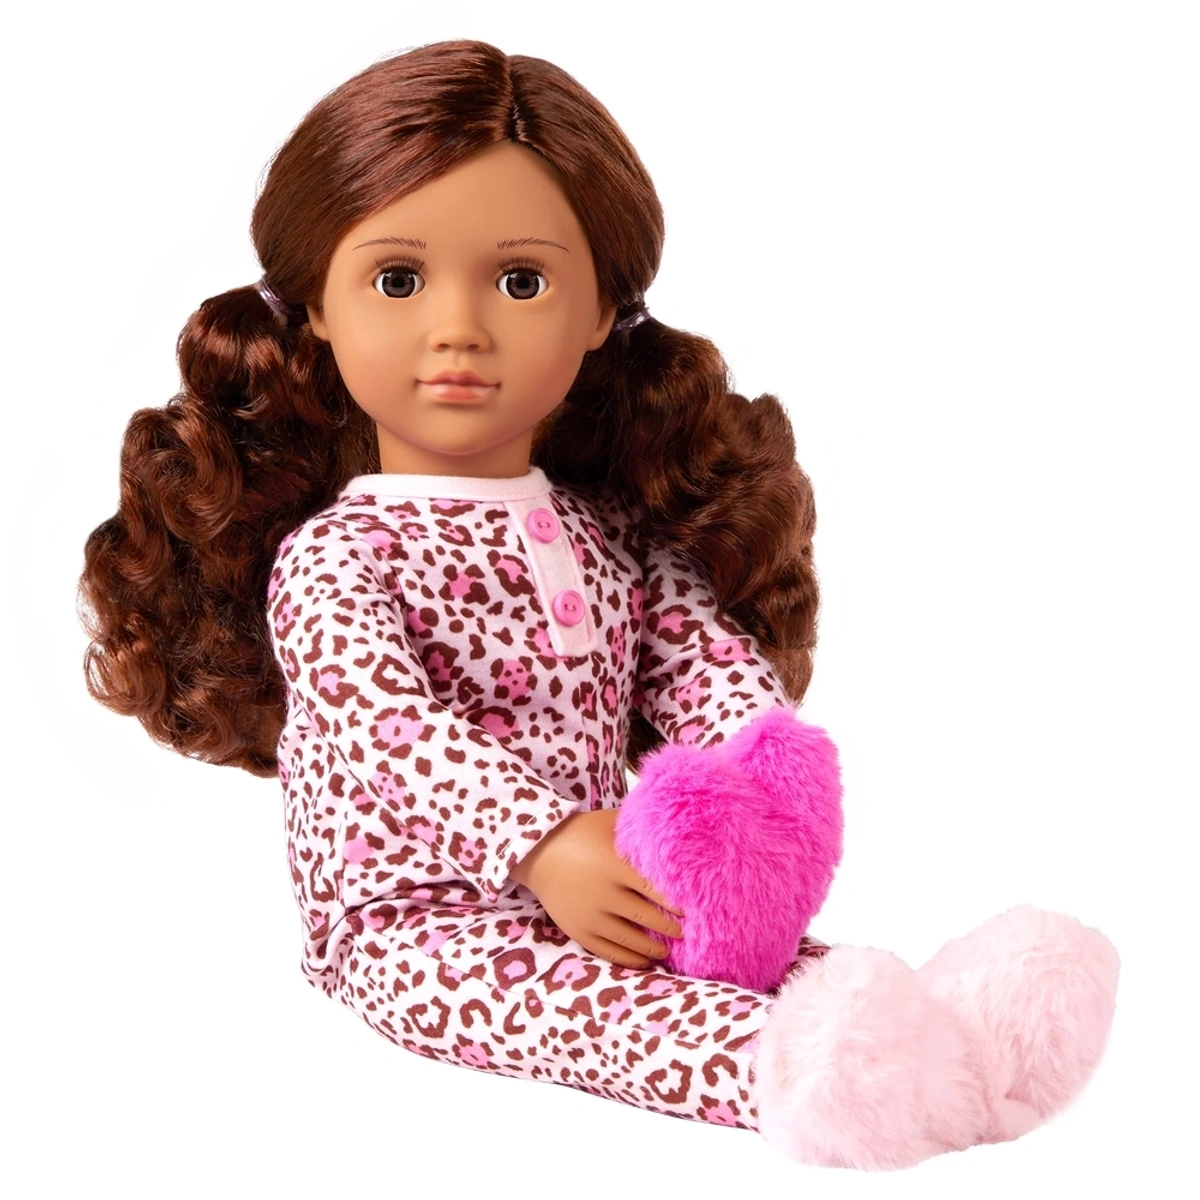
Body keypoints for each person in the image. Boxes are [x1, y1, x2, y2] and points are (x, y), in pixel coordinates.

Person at [78, 39, 1119, 1171]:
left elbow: (694, 653)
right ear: (318, 307)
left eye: (521, 282)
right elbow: (389, 731)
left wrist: (763, 767)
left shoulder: (602, 531)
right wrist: (538, 844)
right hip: (415, 925)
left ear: (601, 313)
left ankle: (976, 1040)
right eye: (398, 280)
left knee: (773, 962)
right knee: (605, 1015)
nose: (459, 328)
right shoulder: (338, 558)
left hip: (608, 879)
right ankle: (806, 1077)